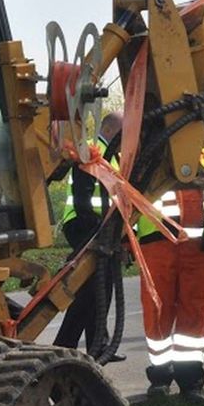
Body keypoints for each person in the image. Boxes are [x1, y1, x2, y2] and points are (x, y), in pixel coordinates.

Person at [137, 147, 204, 401]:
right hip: (158, 242)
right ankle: (160, 377)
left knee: (194, 314)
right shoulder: (148, 146)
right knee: (158, 311)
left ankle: (190, 381)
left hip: (197, 245)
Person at [54, 111, 124, 356]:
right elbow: (83, 199)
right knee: (88, 289)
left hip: (99, 229)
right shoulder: (93, 154)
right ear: (114, 130)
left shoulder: (111, 156)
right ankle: (66, 345)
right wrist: (98, 230)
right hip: (84, 226)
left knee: (99, 289)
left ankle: (97, 344)